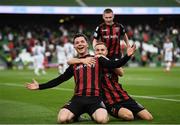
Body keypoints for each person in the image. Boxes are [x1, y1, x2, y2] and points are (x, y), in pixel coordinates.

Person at [26, 33, 136, 124]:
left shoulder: (98, 59)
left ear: (87, 44)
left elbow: (114, 65)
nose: (80, 44)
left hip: (95, 99)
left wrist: (127, 56)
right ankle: (76, 116)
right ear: (74, 46)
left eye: (82, 42)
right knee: (62, 119)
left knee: (102, 120)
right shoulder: (74, 64)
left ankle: (94, 114)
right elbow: (60, 79)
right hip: (77, 99)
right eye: (77, 42)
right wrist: (40, 86)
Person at [68, 42, 153, 121]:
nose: (100, 52)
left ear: (106, 51)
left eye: (102, 50)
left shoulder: (110, 61)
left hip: (122, 95)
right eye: (97, 50)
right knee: (128, 116)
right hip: (108, 101)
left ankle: (132, 112)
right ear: (94, 51)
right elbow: (71, 61)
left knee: (148, 117)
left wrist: (105, 59)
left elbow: (121, 73)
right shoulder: (92, 61)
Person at [92, 8, 130, 80]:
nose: (108, 19)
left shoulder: (119, 26)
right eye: (106, 17)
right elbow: (95, 39)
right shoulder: (100, 27)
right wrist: (95, 48)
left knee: (118, 73)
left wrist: (128, 45)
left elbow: (124, 35)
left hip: (116, 54)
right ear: (103, 17)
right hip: (103, 54)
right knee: (103, 73)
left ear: (113, 16)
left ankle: (114, 86)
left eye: (110, 17)